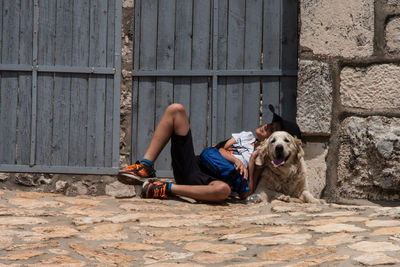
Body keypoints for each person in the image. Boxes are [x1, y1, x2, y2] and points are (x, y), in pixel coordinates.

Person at [118, 103, 301, 202]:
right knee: (176, 110)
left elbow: (247, 193)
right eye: (270, 124)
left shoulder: (262, 157)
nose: (267, 125)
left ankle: (163, 188)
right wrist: (234, 160)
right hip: (194, 165)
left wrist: (251, 162)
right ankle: (145, 166)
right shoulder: (244, 136)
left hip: (210, 183)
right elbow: (218, 148)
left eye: (273, 129)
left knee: (223, 190)